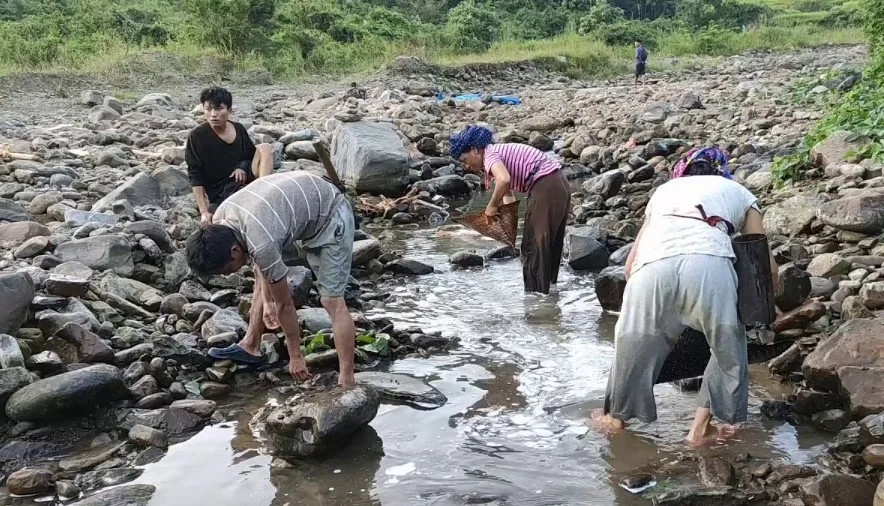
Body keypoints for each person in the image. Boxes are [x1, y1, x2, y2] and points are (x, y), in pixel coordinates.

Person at [593, 147, 779, 445]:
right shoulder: (740, 192)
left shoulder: (664, 193)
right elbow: (761, 262)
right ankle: (701, 429)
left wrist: (663, 318)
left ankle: (616, 419)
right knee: (727, 349)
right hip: (709, 266)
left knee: (632, 346)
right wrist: (774, 296)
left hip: (650, 270)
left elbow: (629, 266)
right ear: (722, 172)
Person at [185, 171, 357, 387]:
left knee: (332, 300)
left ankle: (347, 379)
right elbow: (261, 266)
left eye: (225, 269)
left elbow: (284, 304)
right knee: (266, 275)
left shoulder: (261, 242)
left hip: (331, 212)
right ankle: (251, 345)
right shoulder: (221, 219)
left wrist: (296, 356)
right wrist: (266, 302)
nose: (228, 275)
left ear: (235, 250)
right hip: (295, 207)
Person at [449, 125, 571, 295]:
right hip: (558, 182)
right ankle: (550, 291)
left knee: (534, 246)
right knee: (549, 242)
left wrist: (491, 206)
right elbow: (508, 196)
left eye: (464, 160)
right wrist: (509, 224)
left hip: (546, 185)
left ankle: (536, 300)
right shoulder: (496, 154)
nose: (465, 166)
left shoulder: (490, 156)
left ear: (476, 150)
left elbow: (504, 180)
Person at [185, 87, 275, 227]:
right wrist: (204, 211)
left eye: (219, 109)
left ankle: (263, 191)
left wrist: (240, 167)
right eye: (208, 109)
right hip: (222, 189)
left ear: (229, 110)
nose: (213, 114)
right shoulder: (197, 136)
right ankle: (258, 198)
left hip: (245, 177)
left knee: (265, 148)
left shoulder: (238, 128)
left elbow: (250, 156)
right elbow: (194, 175)